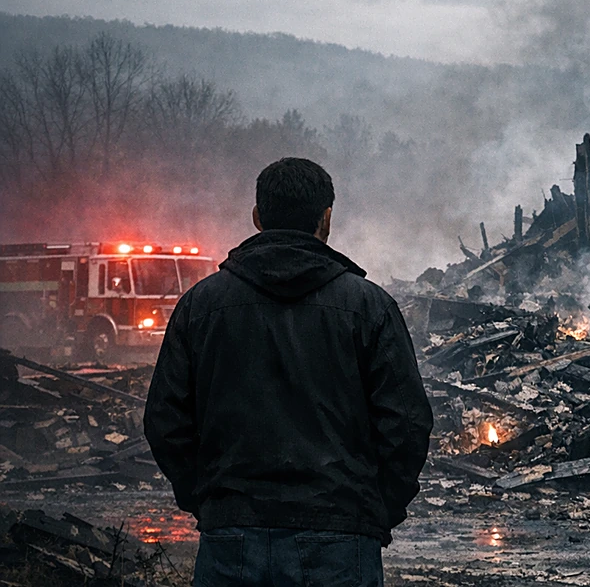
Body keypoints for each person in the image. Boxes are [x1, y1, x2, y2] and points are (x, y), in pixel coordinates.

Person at [144, 157, 433, 586]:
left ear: (257, 216)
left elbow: (165, 421)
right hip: (340, 538)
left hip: (231, 537)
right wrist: (374, 508)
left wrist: (209, 500)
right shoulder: (369, 307)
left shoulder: (201, 306)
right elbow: (406, 425)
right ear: (327, 218)